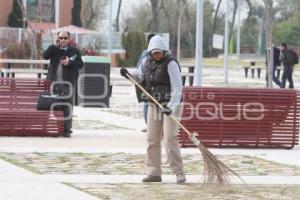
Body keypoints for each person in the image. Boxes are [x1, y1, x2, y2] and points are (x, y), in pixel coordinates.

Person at [120, 35, 186, 183]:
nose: (156, 55)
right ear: (150, 52)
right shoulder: (146, 61)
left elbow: (178, 88)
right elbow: (139, 76)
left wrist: (170, 107)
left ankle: (179, 172)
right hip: (154, 104)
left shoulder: (171, 64)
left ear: (164, 51)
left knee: (170, 138)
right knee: (152, 139)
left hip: (171, 104)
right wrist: (128, 74)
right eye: (154, 53)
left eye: (159, 52)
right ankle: (154, 172)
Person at [43, 31, 83, 137]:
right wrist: (53, 46)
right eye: (61, 38)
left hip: (68, 83)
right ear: (58, 39)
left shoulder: (74, 51)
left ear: (69, 39)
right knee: (55, 105)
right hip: (54, 83)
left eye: (65, 38)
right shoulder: (54, 49)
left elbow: (80, 64)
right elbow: (44, 56)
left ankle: (66, 130)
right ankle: (56, 127)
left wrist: (69, 62)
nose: (63, 40)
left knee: (68, 106)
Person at [136, 33, 156, 132]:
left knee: (147, 105)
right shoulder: (146, 54)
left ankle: (151, 126)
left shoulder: (146, 53)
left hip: (149, 84)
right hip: (147, 84)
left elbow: (138, 70)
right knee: (147, 105)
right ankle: (150, 126)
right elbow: (139, 70)